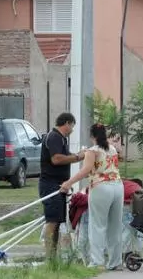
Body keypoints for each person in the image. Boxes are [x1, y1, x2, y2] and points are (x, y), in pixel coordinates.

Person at [61, 123, 125, 270]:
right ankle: (115, 262)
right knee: (115, 225)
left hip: (100, 187)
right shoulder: (112, 149)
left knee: (97, 225)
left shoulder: (92, 151)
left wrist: (68, 183)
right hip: (117, 186)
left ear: (92, 136)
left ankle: (97, 261)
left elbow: (85, 171)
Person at [40, 112, 85, 259]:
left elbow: (64, 155)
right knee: (52, 221)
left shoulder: (61, 139)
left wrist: (76, 155)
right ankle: (49, 256)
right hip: (50, 185)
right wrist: (78, 157)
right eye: (72, 126)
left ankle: (54, 255)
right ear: (67, 123)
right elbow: (57, 159)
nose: (72, 129)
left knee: (58, 222)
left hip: (59, 185)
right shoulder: (54, 137)